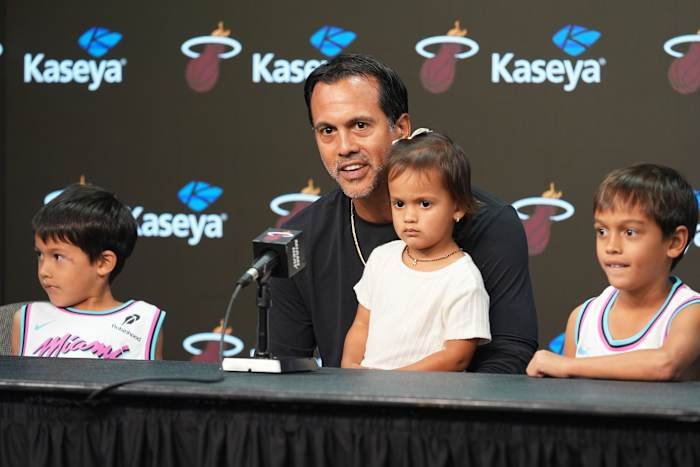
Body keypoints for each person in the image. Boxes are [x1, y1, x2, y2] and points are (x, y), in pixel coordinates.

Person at [269, 53, 537, 373]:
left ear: (401, 128)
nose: (344, 147)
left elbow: (509, 358)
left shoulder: (491, 223)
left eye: (360, 125)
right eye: (327, 130)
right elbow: (283, 370)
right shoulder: (296, 241)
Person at [527, 164, 700, 380]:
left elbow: (664, 364)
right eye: (602, 231)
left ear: (675, 242)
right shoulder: (582, 318)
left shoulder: (690, 312)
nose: (611, 246)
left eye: (630, 232)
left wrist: (566, 365)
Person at [341, 130, 491, 370]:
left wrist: (394, 382)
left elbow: (457, 356)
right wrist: (350, 367)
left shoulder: (463, 279)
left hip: (421, 392)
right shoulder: (382, 258)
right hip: (368, 388)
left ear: (458, 207)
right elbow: (362, 325)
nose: (409, 217)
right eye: (399, 203)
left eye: (424, 204)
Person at [11, 183, 166, 360]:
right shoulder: (27, 319)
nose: (44, 271)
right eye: (40, 254)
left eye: (58, 257)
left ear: (103, 263)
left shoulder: (143, 322)